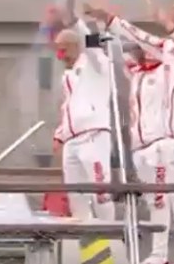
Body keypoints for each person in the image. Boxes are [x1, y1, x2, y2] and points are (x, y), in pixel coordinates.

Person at [85, 1, 174, 264]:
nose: (168, 28)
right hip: (171, 142)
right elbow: (139, 36)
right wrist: (109, 18)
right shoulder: (167, 51)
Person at [51, 19, 115, 221]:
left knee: (100, 191)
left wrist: (77, 22)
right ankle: (82, 233)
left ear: (75, 46)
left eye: (64, 50)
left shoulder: (95, 65)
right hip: (72, 140)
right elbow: (68, 106)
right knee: (75, 193)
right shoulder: (67, 75)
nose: (61, 56)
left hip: (93, 135)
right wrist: (60, 135)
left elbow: (93, 46)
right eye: (58, 50)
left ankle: (108, 232)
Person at [122, 42, 171, 264]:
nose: (136, 55)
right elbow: (110, 57)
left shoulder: (165, 72)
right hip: (138, 147)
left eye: (139, 49)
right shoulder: (135, 74)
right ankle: (153, 253)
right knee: (150, 201)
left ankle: (160, 255)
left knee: (160, 200)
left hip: (157, 144)